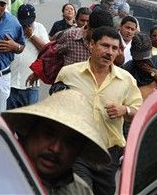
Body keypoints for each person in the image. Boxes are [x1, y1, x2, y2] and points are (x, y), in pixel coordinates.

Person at [55, 26, 143, 195]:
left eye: (114, 48)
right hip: (77, 150)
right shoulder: (69, 74)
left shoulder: (126, 80)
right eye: (105, 46)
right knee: (79, 191)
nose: (109, 52)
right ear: (91, 45)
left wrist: (124, 110)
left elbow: (140, 114)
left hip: (108, 155)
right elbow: (54, 106)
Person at [2, 89, 111, 195]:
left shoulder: (80, 191)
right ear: (30, 131)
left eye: (69, 143)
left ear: (77, 152)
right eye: (49, 135)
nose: (55, 148)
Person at [7, 4, 49, 110]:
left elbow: (46, 51)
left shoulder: (40, 28)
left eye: (28, 22)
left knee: (29, 121)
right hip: (10, 84)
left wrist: (31, 36)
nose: (26, 26)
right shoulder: (13, 27)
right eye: (23, 23)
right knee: (9, 120)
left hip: (30, 86)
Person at [122, 32, 157, 100]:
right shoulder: (127, 68)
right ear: (132, 54)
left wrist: (152, 71)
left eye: (145, 58)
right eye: (139, 59)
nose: (142, 62)